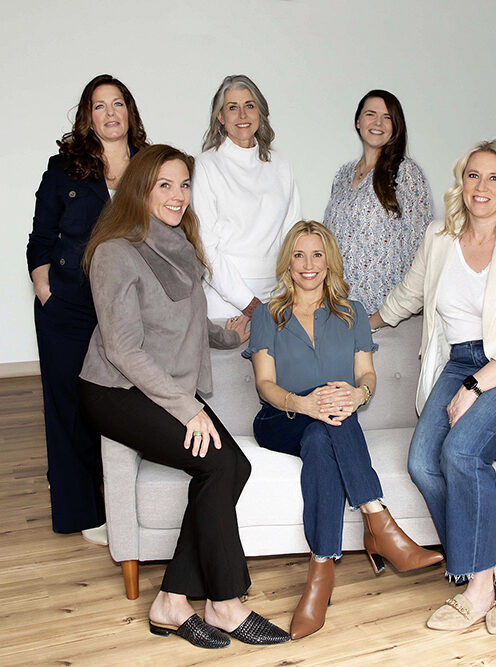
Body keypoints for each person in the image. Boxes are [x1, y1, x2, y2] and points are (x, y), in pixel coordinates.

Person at [78, 145, 290, 649]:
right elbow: (124, 349)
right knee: (221, 466)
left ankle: (173, 600)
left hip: (164, 387)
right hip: (116, 390)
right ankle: (225, 602)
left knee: (231, 466)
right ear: (140, 190)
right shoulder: (116, 252)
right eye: (164, 185)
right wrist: (190, 408)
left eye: (184, 184)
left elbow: (182, 325)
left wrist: (230, 334)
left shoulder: (178, 243)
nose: (178, 196)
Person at [369, 140, 496, 634]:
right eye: (474, 176)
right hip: (457, 363)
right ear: (462, 182)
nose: (482, 187)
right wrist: (361, 323)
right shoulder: (439, 237)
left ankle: (477, 586)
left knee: (460, 452)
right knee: (420, 461)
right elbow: (409, 294)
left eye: (494, 178)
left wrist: (477, 385)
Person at [244, 220, 443, 640]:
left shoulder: (352, 313)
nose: (308, 264)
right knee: (325, 403)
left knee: (325, 429)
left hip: (328, 421)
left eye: (317, 254)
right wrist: (303, 403)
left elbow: (366, 376)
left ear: (330, 261)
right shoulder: (268, 313)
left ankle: (320, 570)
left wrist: (358, 396)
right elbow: (264, 385)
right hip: (281, 419)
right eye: (299, 254)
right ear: (288, 263)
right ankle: (380, 523)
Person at [26, 74, 149, 544]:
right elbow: (40, 236)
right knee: (68, 407)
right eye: (100, 106)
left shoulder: (148, 166)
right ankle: (81, 510)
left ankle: (124, 501)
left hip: (128, 307)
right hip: (70, 305)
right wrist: (45, 288)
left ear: (130, 112)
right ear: (88, 116)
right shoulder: (64, 168)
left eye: (118, 103)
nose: (110, 113)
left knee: (121, 404)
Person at [192, 74, 301, 329]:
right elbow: (205, 246)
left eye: (249, 105)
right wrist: (249, 303)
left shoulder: (281, 164)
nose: (242, 115)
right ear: (221, 117)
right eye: (233, 107)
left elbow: (292, 234)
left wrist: (288, 298)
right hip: (225, 305)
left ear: (260, 112)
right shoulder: (206, 165)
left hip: (277, 302)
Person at [323, 89, 434, 312]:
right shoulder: (343, 174)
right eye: (370, 114)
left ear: (396, 126)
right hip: (338, 307)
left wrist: (402, 306)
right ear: (358, 121)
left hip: (386, 313)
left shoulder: (406, 173)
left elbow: (424, 246)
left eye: (387, 117)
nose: (378, 123)